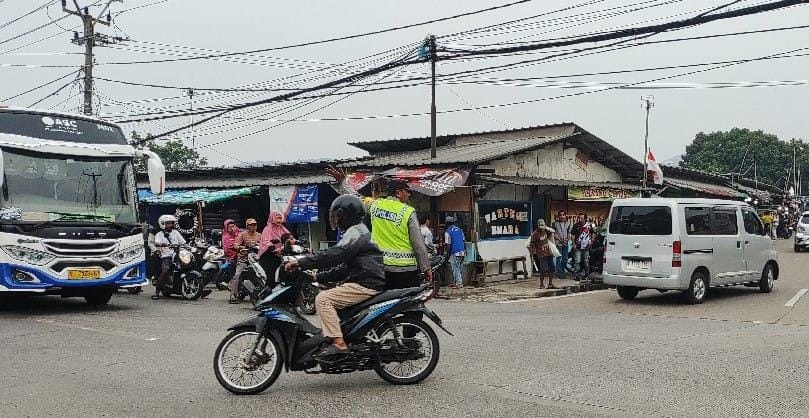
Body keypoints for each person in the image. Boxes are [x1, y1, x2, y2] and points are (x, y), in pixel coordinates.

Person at [284, 195, 385, 357]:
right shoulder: (359, 231)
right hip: (365, 279)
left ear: (347, 215)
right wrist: (317, 277)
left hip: (365, 283)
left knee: (323, 299)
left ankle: (339, 344)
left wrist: (301, 262)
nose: (336, 220)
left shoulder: (355, 232)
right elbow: (344, 268)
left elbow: (335, 255)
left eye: (338, 216)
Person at [325, 166, 432, 289]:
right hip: (405, 272)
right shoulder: (408, 212)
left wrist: (343, 182)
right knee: (408, 300)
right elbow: (418, 244)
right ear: (398, 193)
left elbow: (355, 197)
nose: (409, 195)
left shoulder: (375, 206)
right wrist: (426, 268)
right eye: (407, 191)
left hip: (380, 269)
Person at [152, 214, 186, 300]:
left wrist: (188, 246)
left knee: (190, 264)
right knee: (165, 270)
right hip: (167, 256)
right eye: (168, 223)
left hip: (178, 254)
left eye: (171, 223)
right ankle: (157, 292)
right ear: (162, 224)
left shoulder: (176, 232)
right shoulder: (159, 234)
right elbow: (156, 243)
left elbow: (183, 242)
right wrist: (164, 244)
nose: (170, 225)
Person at [228, 218, 262, 304]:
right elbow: (236, 245)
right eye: (251, 225)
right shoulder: (242, 234)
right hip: (244, 259)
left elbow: (264, 244)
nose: (253, 226)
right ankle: (233, 294)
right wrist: (239, 247)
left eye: (255, 225)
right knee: (237, 274)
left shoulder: (259, 235)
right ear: (247, 226)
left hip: (256, 259)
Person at [259, 211, 291, 285]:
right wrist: (272, 248)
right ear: (272, 218)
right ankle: (269, 290)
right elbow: (266, 241)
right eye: (277, 218)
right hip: (269, 256)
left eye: (280, 218)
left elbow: (290, 238)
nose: (279, 220)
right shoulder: (268, 229)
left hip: (282, 254)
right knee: (271, 277)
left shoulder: (283, 229)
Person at [529, 219, 557, 289]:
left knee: (552, 268)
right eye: (540, 225)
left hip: (549, 252)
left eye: (543, 224)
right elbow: (532, 245)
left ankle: (550, 284)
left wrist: (546, 228)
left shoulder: (545, 231)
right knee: (544, 269)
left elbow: (553, 231)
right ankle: (541, 284)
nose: (542, 226)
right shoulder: (535, 234)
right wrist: (532, 255)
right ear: (538, 225)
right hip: (541, 253)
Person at [444, 216, 466, 289]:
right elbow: (463, 240)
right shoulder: (460, 230)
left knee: (455, 268)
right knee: (458, 268)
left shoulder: (448, 231)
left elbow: (448, 244)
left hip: (455, 252)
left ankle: (459, 283)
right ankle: (456, 282)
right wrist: (465, 250)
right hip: (462, 252)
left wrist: (447, 253)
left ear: (447, 224)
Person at [571, 213, 594, 279]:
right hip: (578, 246)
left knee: (586, 261)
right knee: (577, 261)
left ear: (585, 219)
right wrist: (574, 244)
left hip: (586, 247)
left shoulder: (589, 225)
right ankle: (576, 275)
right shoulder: (576, 225)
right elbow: (573, 235)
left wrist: (591, 241)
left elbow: (592, 233)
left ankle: (586, 275)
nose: (580, 219)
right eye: (579, 218)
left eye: (582, 218)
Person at [551, 210, 571, 278]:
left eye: (563, 215)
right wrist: (559, 239)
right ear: (558, 216)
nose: (562, 216)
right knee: (558, 258)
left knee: (565, 259)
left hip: (565, 244)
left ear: (565, 216)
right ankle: (559, 273)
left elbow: (569, 233)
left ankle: (562, 271)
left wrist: (567, 239)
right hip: (558, 244)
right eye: (560, 215)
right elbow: (553, 233)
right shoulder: (554, 224)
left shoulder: (568, 224)